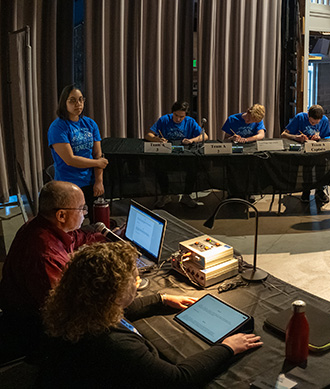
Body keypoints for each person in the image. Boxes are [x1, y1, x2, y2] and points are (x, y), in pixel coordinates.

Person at [39, 242, 263, 387]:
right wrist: (227, 347)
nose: (137, 283)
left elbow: (122, 310)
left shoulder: (79, 309)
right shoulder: (116, 343)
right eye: (133, 279)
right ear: (114, 291)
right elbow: (178, 379)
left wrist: (160, 299)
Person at [0, 181, 106, 360]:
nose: (85, 213)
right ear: (61, 215)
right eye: (81, 209)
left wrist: (110, 237)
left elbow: (76, 237)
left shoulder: (44, 225)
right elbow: (65, 308)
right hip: (34, 328)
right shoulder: (45, 255)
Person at [48, 85, 108, 220]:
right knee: (72, 224)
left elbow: (98, 154)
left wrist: (99, 181)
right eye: (73, 100)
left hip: (90, 182)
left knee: (99, 221)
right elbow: (70, 159)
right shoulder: (58, 127)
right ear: (64, 103)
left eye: (81, 100)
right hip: (68, 184)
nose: (78, 104)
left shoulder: (90, 124)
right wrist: (98, 162)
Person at [146, 101, 207, 208]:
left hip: (185, 153)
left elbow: (204, 136)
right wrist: (157, 139)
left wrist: (192, 140)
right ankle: (166, 195)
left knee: (193, 167)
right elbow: (148, 135)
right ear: (172, 113)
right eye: (176, 115)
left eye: (181, 117)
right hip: (167, 153)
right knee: (160, 167)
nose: (178, 119)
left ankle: (186, 196)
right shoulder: (164, 119)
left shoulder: (190, 121)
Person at [283, 105, 330, 205]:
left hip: (317, 150)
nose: (314, 124)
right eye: (311, 122)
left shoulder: (324, 120)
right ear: (308, 115)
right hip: (303, 151)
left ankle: (320, 190)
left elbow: (327, 137)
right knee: (307, 167)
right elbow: (283, 134)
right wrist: (296, 137)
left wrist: (319, 138)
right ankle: (306, 191)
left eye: (316, 123)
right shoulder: (300, 117)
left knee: (322, 166)